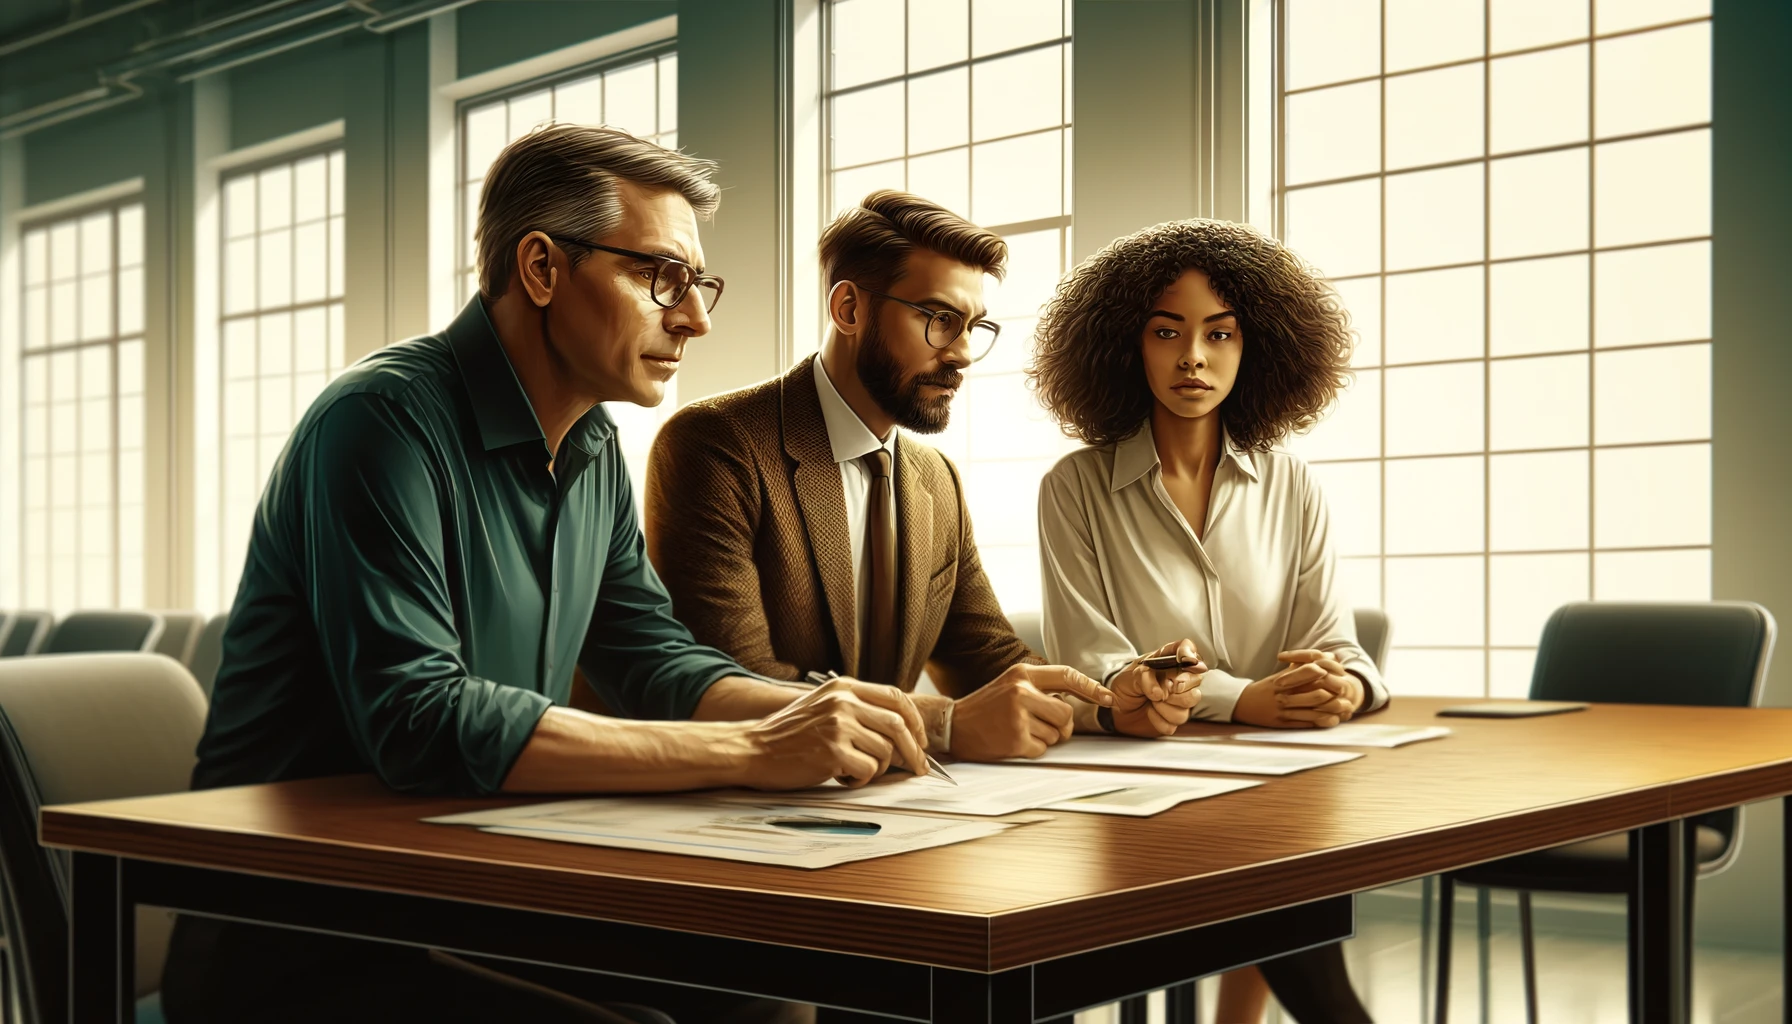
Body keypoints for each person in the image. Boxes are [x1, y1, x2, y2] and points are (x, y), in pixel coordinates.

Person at [162, 126, 935, 1024]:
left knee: (770, 996)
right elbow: (421, 721)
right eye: (662, 278)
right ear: (541, 269)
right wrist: (757, 751)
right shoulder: (379, 422)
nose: (695, 317)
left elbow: (652, 662)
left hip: (477, 890)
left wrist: (837, 714)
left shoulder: (593, 446)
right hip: (297, 925)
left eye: (697, 284)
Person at [1029, 218, 1387, 1022]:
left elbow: (1337, 644)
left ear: (1255, 348)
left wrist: (1346, 690)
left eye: (1219, 334)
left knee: (1292, 907)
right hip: (1140, 800)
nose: (1193, 357)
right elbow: (1101, 666)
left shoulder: (1294, 485)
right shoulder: (1074, 488)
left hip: (1282, 799)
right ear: (1129, 346)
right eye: (1168, 332)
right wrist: (1245, 698)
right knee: (1306, 951)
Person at [644, 190, 1134, 764]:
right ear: (848, 309)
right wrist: (945, 725)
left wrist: (1109, 702)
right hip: (735, 806)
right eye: (939, 319)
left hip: (887, 804)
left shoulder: (936, 479)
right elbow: (735, 682)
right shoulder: (716, 444)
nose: (964, 353)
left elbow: (987, 660)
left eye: (974, 325)